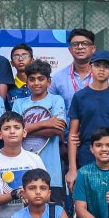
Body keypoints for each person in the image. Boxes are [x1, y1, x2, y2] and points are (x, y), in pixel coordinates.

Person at [66, 49, 109, 190]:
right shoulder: (80, 97)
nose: (102, 69)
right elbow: (73, 134)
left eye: (107, 66)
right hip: (87, 156)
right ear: (90, 67)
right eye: (97, 65)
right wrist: (72, 169)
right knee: (88, 201)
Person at [12, 60, 67, 204]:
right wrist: (46, 123)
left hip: (52, 170)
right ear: (27, 82)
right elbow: (14, 132)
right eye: (32, 79)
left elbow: (56, 129)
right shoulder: (19, 103)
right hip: (24, 167)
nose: (36, 83)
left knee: (53, 214)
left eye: (41, 79)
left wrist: (25, 129)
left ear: (48, 82)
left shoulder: (56, 100)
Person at [49, 28, 109, 111]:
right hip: (70, 123)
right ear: (70, 49)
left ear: (93, 49)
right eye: (75, 44)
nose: (80, 47)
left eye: (84, 44)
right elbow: (50, 106)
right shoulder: (58, 78)